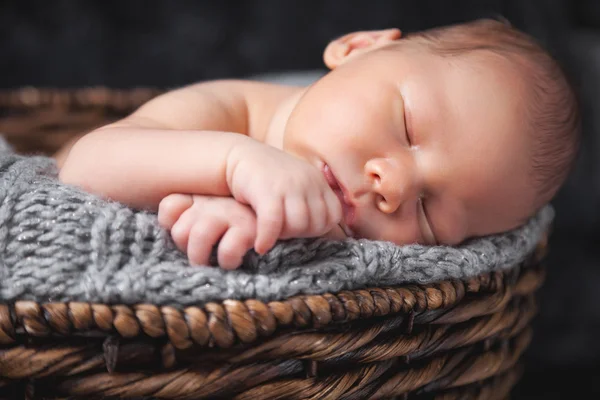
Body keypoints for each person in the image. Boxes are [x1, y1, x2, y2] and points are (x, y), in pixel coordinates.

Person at [55, 19, 580, 270]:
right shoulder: (226, 112)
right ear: (356, 49)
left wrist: (265, 230)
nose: (392, 187)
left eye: (428, 216)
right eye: (407, 127)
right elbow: (86, 165)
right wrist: (234, 164)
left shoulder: (346, 231)